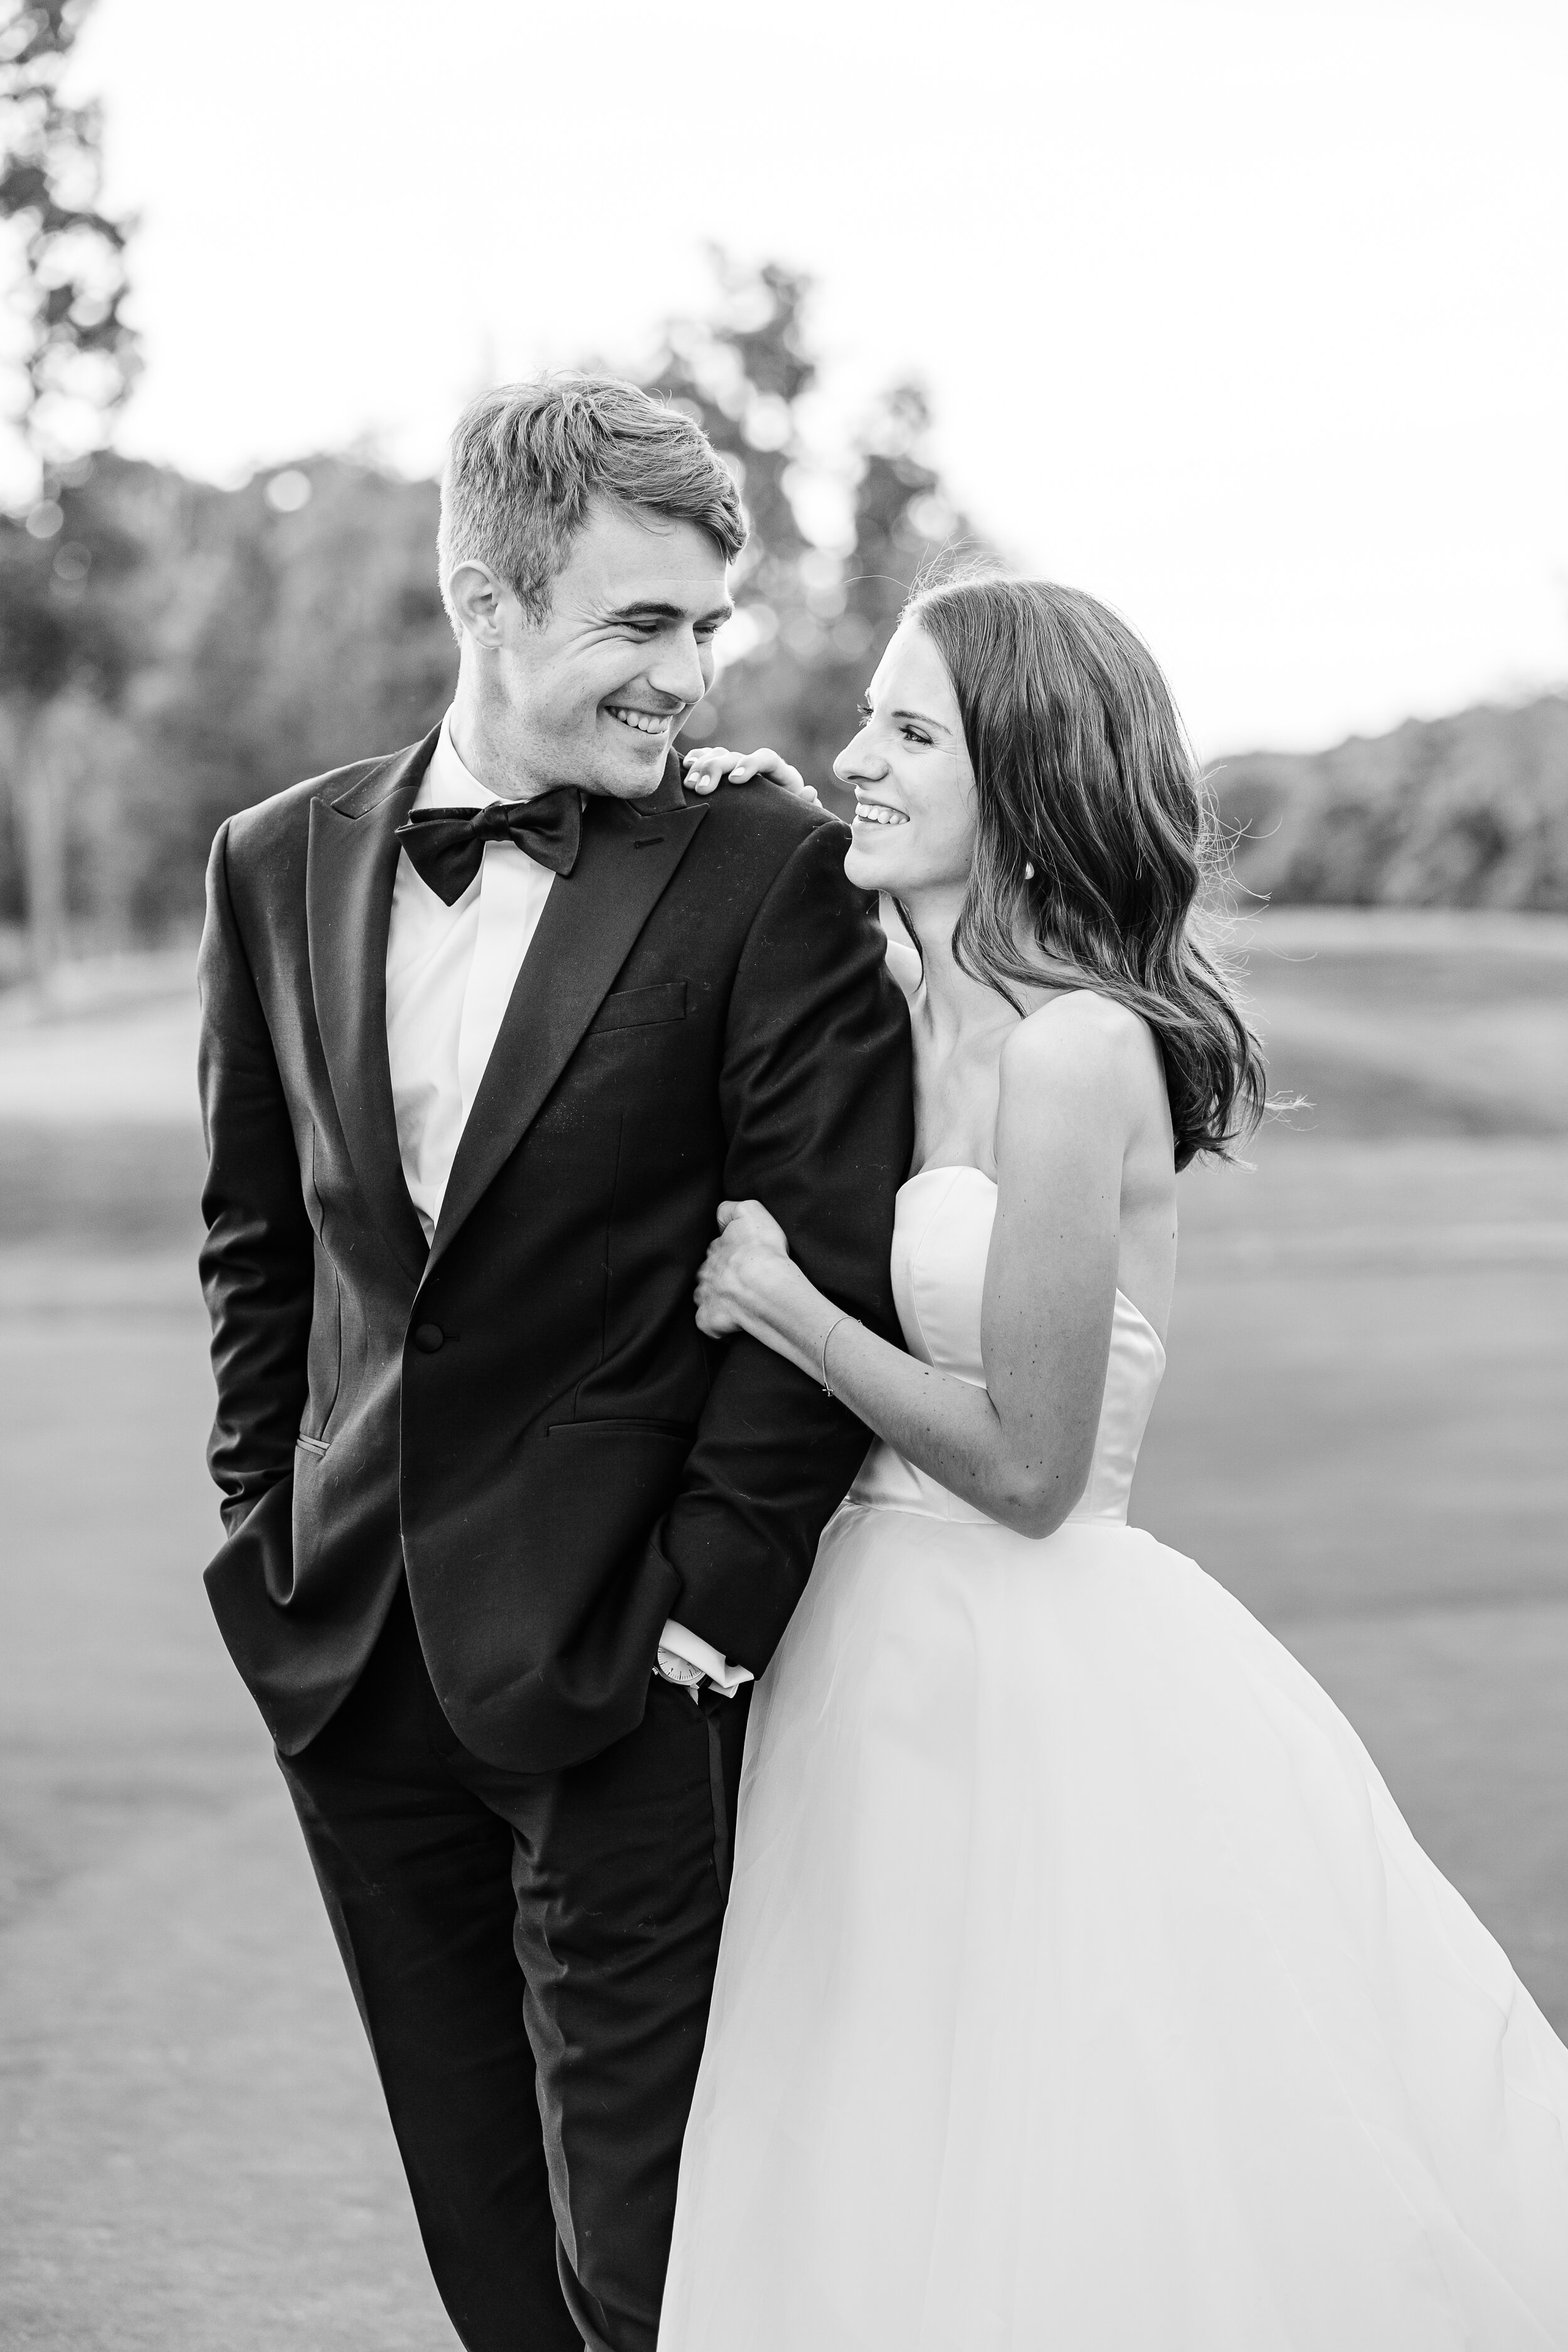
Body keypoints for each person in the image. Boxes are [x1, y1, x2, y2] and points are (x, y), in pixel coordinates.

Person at [658, 577, 1568, 2349]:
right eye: (865, 721)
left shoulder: (1075, 1057)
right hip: (867, 1657)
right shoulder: (893, 1014)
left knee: (1059, 2162)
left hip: (1029, 1661)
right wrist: (743, 794)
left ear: (1026, 776)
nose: (859, 757)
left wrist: (782, 1308)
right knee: (871, 2146)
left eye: (910, 733)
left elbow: (1029, 1467)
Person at [194, 374, 913, 2352]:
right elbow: (261, 1246)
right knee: (487, 2252)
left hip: (622, 1666)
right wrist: (261, 1525)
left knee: (647, 2259)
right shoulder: (275, 861)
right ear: (483, 598)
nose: (686, 675)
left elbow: (821, 1247)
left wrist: (705, 1619)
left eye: (705, 626)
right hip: (349, 1653)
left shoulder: (761, 863)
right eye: (638, 626)